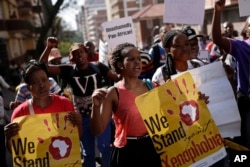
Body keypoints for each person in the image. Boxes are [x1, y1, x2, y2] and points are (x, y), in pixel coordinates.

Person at [39, 37, 120, 167]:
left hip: (101, 115)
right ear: (72, 57)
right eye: (75, 53)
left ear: (86, 53)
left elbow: (117, 77)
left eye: (81, 52)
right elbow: (42, 66)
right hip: (81, 119)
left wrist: (120, 62)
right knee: (88, 153)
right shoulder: (68, 70)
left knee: (105, 147)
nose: (79, 55)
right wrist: (49, 47)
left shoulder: (99, 67)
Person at [90, 42, 162, 167]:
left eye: (139, 58)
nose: (137, 62)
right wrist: (95, 106)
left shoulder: (152, 86)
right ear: (120, 64)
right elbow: (97, 130)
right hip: (126, 152)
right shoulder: (113, 92)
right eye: (131, 59)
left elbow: (173, 110)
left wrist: (198, 100)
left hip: (152, 148)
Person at [4, 60, 82, 160]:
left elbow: (76, 138)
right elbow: (16, 151)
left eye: (44, 80)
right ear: (28, 88)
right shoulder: (19, 113)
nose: (41, 85)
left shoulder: (64, 104)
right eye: (35, 82)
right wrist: (8, 138)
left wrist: (79, 123)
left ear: (49, 82)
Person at [212, 0, 250, 149]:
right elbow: (217, 39)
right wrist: (217, 11)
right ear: (247, 30)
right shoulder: (243, 46)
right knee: (243, 153)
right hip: (247, 106)